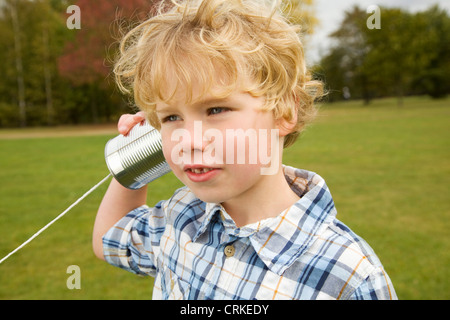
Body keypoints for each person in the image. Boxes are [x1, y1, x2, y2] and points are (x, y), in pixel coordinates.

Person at [93, 0, 397, 300]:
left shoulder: (347, 277)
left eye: (215, 110)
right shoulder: (181, 218)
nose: (189, 140)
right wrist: (134, 162)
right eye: (171, 117)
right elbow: (109, 238)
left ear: (284, 113)